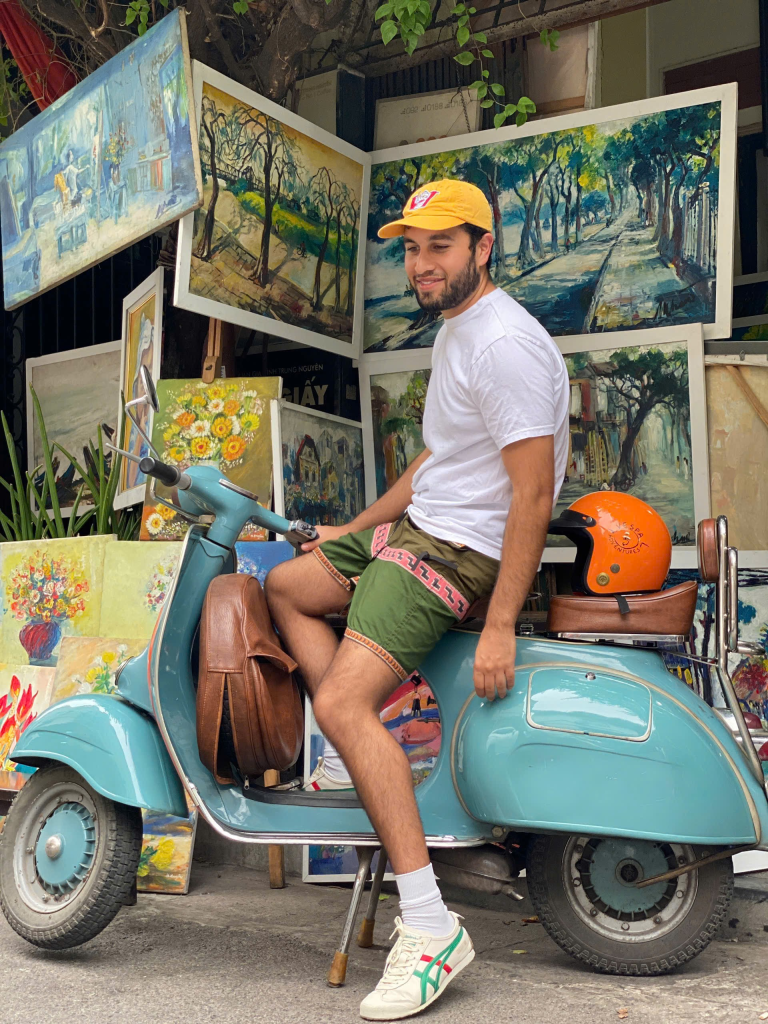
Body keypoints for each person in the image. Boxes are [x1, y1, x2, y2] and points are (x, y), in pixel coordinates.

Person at [266, 179, 569, 1021]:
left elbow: (532, 496)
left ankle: (431, 925)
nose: (422, 262)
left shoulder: (504, 343)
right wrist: (350, 533)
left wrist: (501, 621)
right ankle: (377, 740)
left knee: (339, 701)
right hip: (420, 527)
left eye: (440, 244)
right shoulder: (457, 332)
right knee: (285, 584)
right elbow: (437, 463)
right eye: (411, 246)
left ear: (484, 242)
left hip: (459, 553)